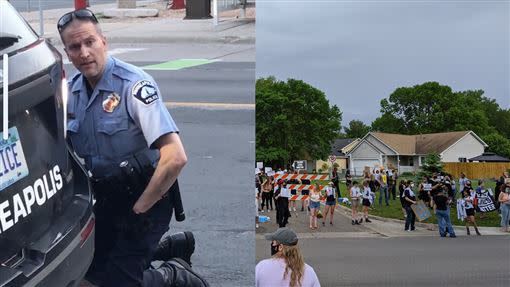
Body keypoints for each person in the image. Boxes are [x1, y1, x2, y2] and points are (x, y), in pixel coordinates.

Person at [58, 9, 208, 286]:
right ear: (67, 53)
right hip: (107, 198)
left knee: (117, 282)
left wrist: (141, 208)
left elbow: (175, 157)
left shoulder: (133, 86)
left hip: (146, 197)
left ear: (104, 41)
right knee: (84, 274)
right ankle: (166, 249)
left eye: (90, 42)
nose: (84, 52)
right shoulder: (73, 93)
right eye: (75, 46)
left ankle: (173, 274)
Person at [256, 228, 321, 287]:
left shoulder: (262, 267)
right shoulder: (309, 271)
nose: (272, 244)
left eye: (273, 242)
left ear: (280, 247)